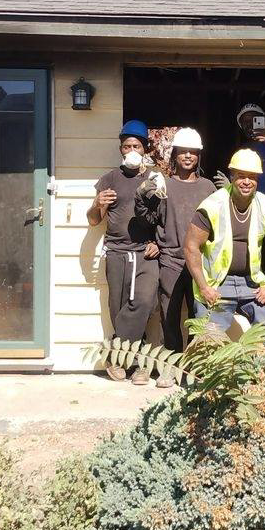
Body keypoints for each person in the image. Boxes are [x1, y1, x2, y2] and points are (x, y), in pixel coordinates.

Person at [184, 148, 265, 346]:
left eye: (252, 177)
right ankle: (210, 376)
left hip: (251, 283)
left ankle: (258, 373)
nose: (247, 182)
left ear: (258, 179)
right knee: (208, 336)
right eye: (241, 176)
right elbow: (191, 247)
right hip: (217, 284)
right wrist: (204, 287)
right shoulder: (212, 205)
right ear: (232, 176)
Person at [134, 128, 215, 382]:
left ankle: (193, 369)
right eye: (183, 152)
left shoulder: (208, 187)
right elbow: (148, 219)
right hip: (169, 260)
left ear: (199, 156)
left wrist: (229, 193)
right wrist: (141, 197)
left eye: (193, 152)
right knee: (169, 316)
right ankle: (171, 368)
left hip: (200, 263)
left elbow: (220, 226)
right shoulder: (163, 185)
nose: (188, 156)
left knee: (197, 318)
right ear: (175, 155)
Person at [86, 120, 159, 385]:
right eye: (127, 146)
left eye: (136, 146)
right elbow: (94, 220)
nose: (131, 150)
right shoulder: (109, 178)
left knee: (143, 303)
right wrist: (97, 204)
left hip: (146, 253)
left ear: (145, 148)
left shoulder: (154, 177)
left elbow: (164, 216)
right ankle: (138, 362)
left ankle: (116, 355)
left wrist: (158, 242)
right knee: (117, 309)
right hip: (116, 252)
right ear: (120, 149)